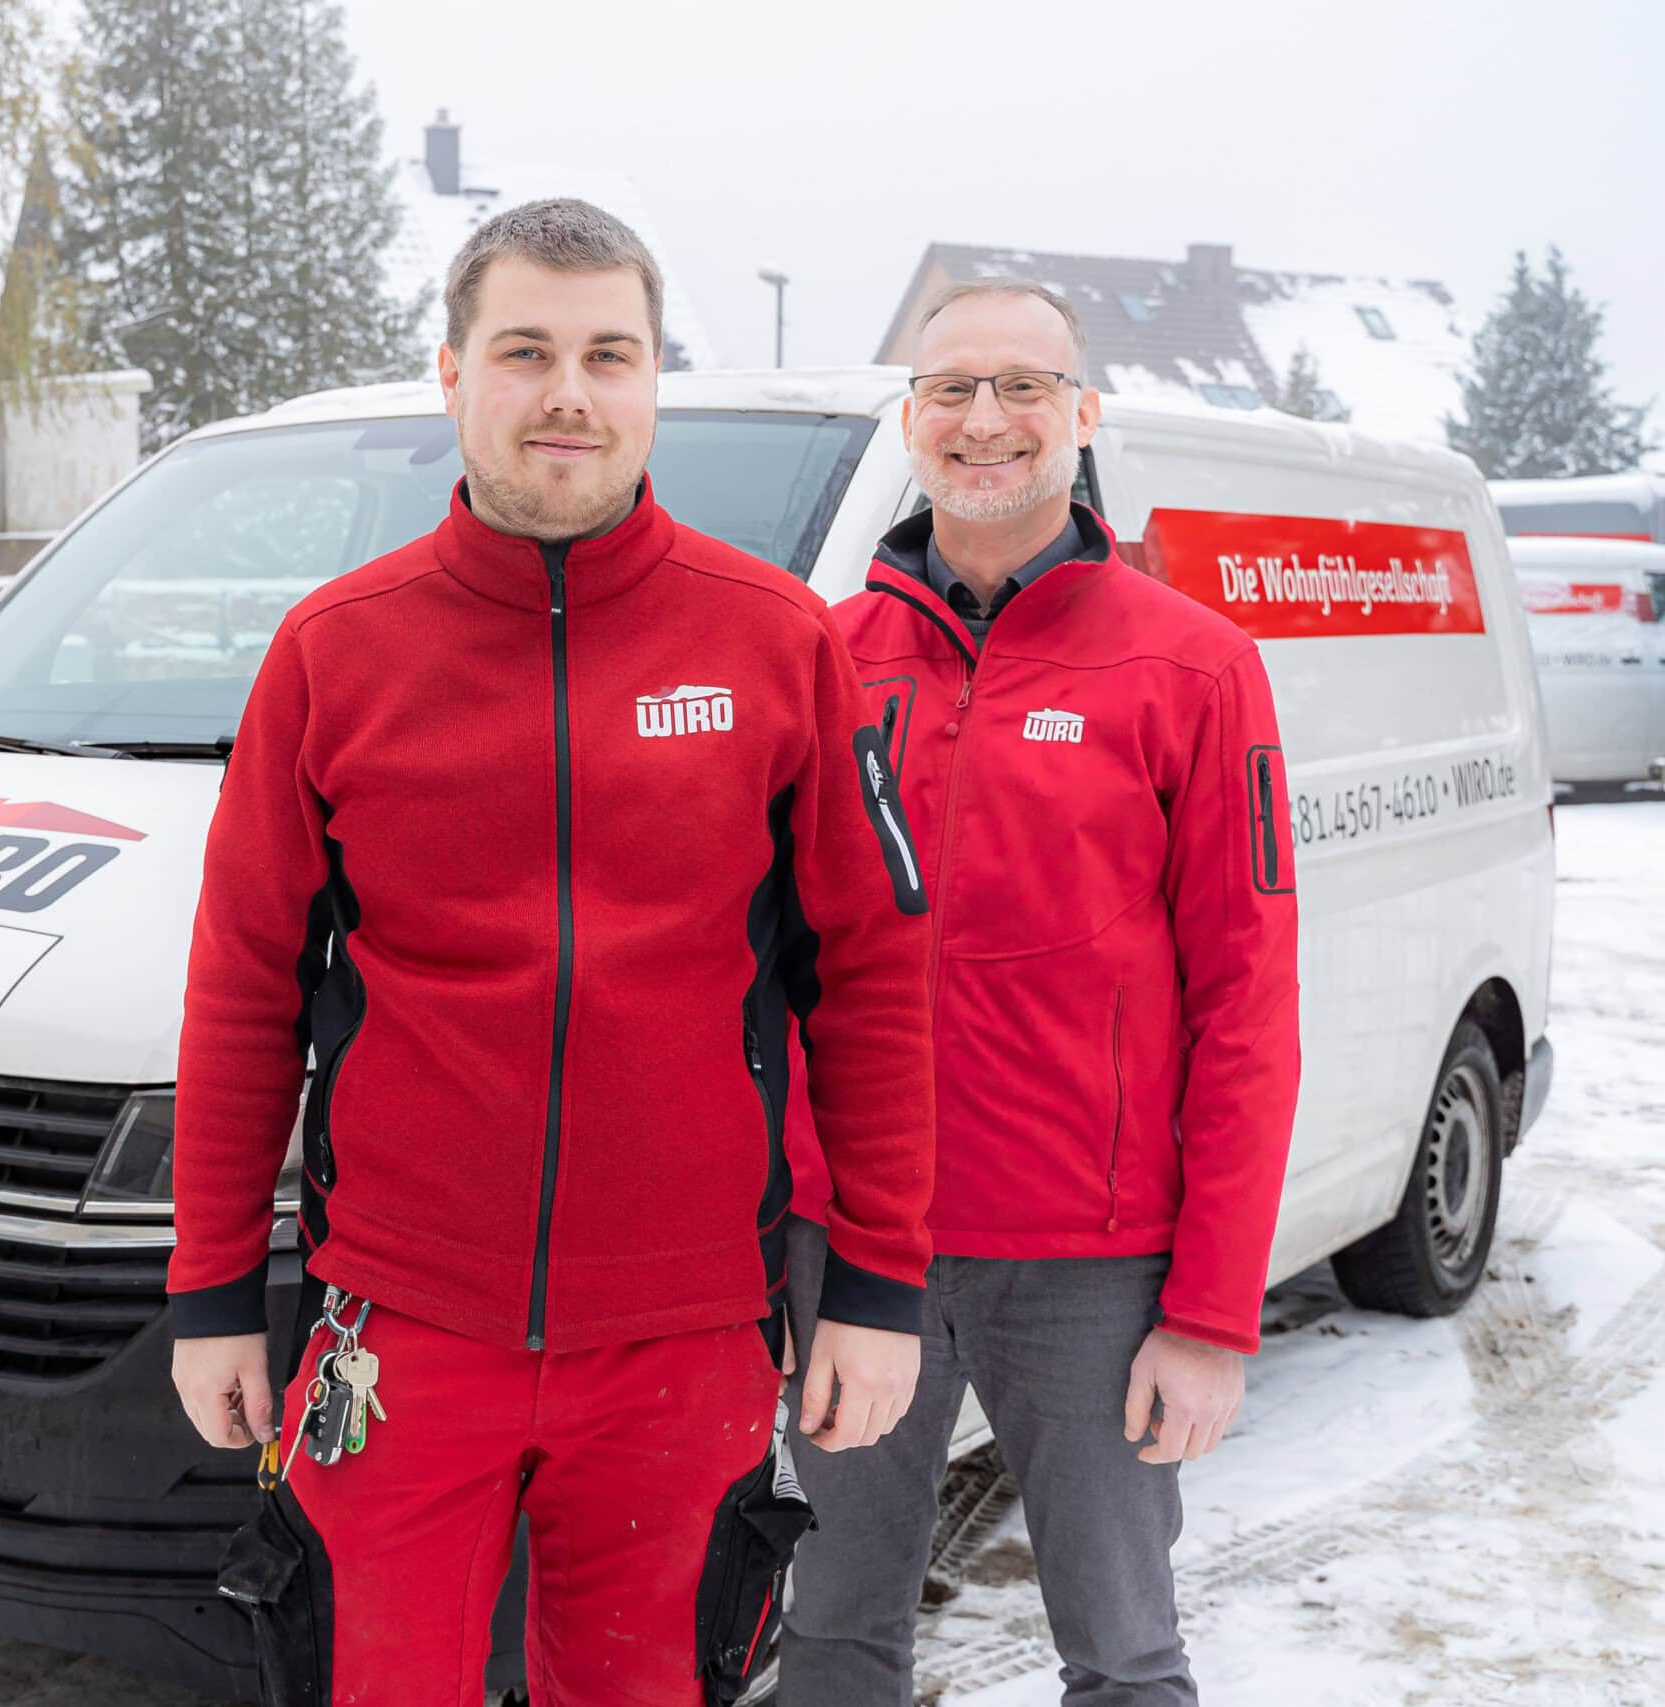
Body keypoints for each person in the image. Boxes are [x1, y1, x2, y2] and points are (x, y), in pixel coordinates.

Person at [168, 197, 939, 1704]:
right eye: (525, 351)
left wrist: (880, 1288)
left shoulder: (775, 644)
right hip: (398, 1340)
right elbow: (241, 988)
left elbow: (874, 983)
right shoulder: (338, 651)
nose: (569, 393)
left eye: (609, 354)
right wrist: (209, 1291)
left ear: (655, 382)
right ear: (452, 374)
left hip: (687, 1345)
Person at [781, 279, 1303, 1705]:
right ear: (912, 421)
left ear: (1080, 417)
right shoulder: (830, 661)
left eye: (1023, 386)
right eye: (951, 388)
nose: (985, 419)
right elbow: (774, 977)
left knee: (1125, 1653)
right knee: (829, 1634)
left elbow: (1248, 1008)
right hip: (860, 1261)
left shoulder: (1194, 668)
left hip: (1094, 1269)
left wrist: (1210, 1314)